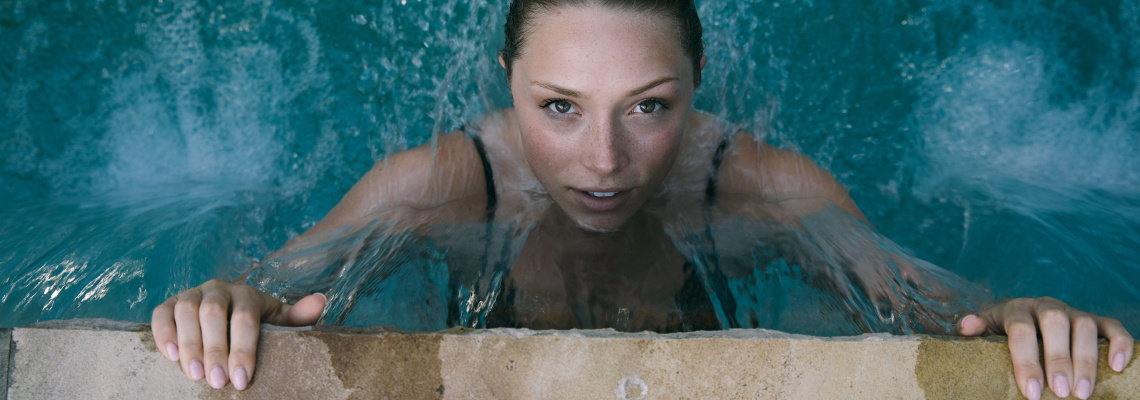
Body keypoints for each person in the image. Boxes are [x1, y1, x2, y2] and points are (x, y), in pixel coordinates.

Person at [150, 0, 1133, 398]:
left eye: (650, 107)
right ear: (508, 80)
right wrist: (227, 301)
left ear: (699, 78)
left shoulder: (767, 189)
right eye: (561, 108)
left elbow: (928, 300)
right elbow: (271, 285)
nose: (606, 161)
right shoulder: (439, 187)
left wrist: (1016, 318)